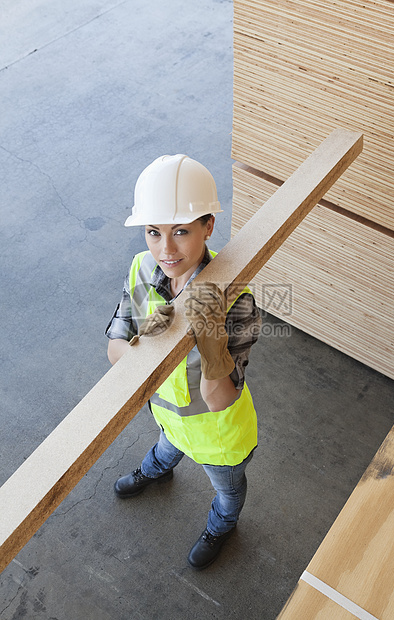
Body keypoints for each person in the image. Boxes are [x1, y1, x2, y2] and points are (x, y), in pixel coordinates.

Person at [105, 154, 261, 569]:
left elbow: (219, 399)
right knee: (165, 447)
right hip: (169, 417)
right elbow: (115, 352)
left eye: (181, 232)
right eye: (153, 232)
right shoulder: (142, 267)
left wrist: (212, 346)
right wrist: (145, 342)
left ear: (208, 226)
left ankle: (222, 525)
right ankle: (155, 471)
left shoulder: (236, 302)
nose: (165, 249)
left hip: (218, 436)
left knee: (227, 490)